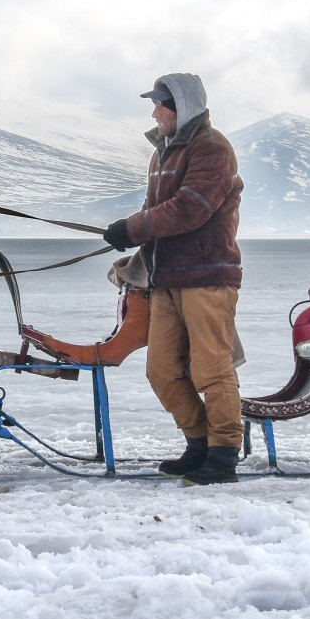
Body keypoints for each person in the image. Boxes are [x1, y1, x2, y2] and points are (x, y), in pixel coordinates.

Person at [102, 73, 244, 485]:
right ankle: (199, 442)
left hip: (207, 277)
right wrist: (134, 240)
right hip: (166, 279)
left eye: (160, 103)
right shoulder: (163, 152)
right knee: (162, 370)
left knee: (212, 370)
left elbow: (189, 209)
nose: (154, 111)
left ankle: (224, 453)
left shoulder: (213, 148)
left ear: (182, 106)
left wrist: (130, 228)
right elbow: (159, 213)